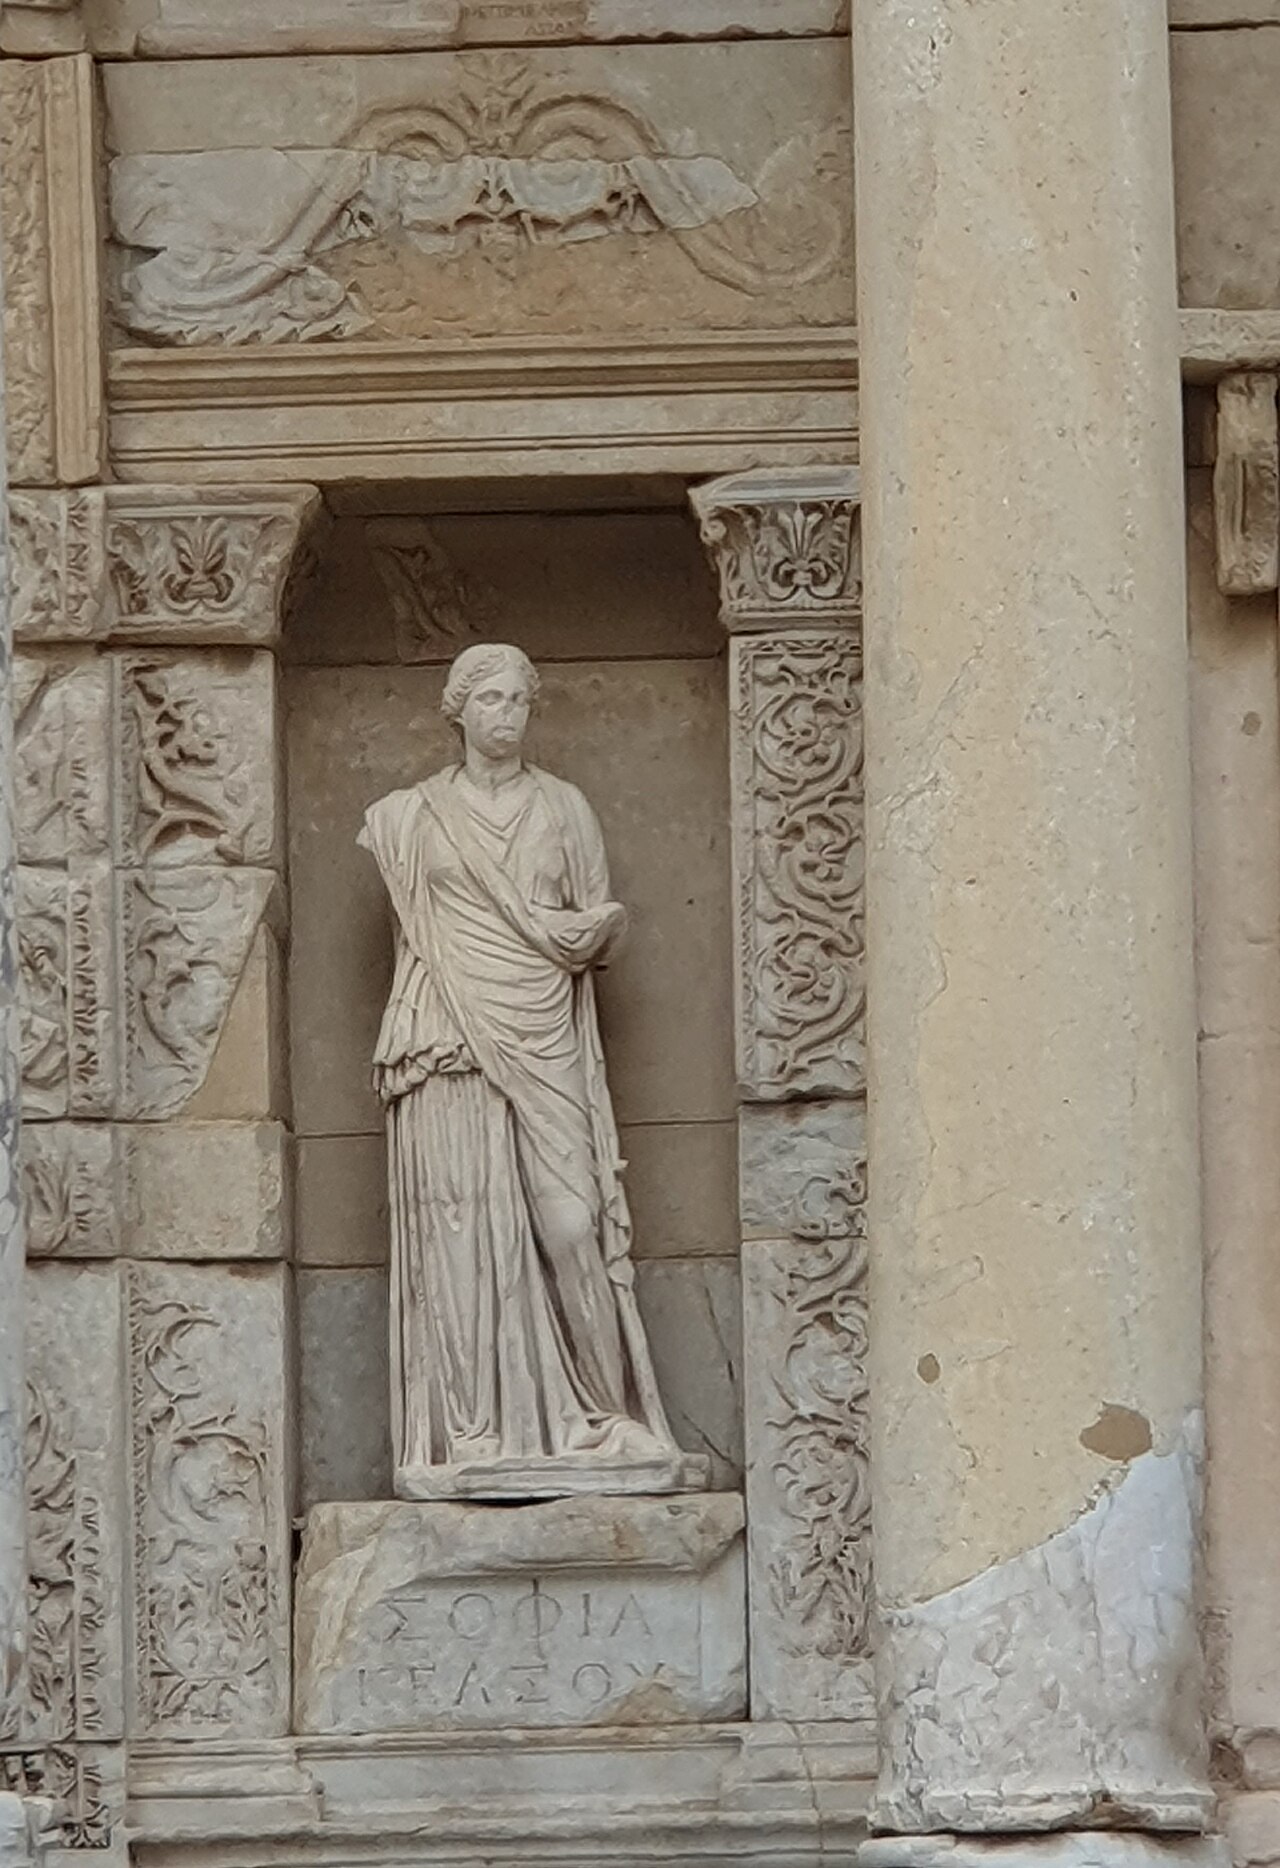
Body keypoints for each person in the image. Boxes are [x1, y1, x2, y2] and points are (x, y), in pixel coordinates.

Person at [358, 641, 695, 1499]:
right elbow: (416, 933)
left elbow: (592, 919)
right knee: (465, 1236)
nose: (507, 714)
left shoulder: (564, 808)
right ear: (458, 709)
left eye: (520, 701)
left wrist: (593, 931)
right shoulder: (406, 818)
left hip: (544, 1035)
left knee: (573, 1224)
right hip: (444, 1036)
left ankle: (604, 1411)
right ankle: (473, 1434)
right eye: (492, 700)